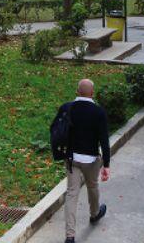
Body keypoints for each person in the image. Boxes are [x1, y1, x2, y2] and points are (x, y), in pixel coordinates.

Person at [58, 79, 110, 243]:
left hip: (72, 158)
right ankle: (94, 214)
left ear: (77, 91)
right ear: (92, 93)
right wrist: (106, 165)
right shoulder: (98, 112)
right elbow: (103, 140)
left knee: (72, 194)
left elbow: (58, 131)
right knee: (92, 186)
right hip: (91, 159)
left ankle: (70, 236)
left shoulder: (67, 108)